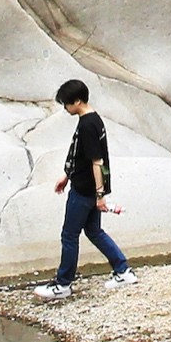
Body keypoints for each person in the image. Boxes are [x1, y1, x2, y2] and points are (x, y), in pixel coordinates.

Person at [39, 77, 135, 296]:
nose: (65, 108)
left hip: (85, 190)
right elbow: (81, 156)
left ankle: (63, 284)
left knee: (69, 235)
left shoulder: (88, 125)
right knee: (93, 231)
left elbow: (97, 162)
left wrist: (99, 195)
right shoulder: (93, 120)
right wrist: (66, 175)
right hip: (86, 186)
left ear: (78, 101)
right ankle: (123, 270)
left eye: (67, 103)